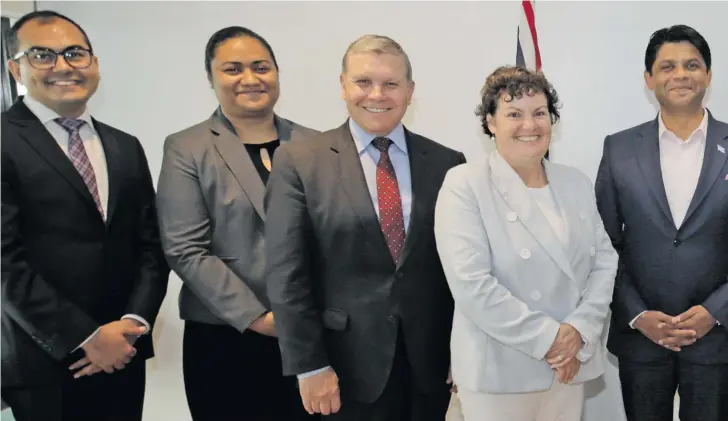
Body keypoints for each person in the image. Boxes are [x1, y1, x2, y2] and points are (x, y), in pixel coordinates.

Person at [264, 34, 466, 420]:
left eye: (391, 83)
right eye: (363, 82)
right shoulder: (299, 161)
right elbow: (287, 275)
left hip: (430, 366)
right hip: (343, 369)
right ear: (343, 86)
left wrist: (464, 353)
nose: (377, 94)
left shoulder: (447, 162)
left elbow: (460, 269)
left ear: (410, 90)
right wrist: (309, 366)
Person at [1, 10, 169, 421]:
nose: (63, 66)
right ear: (15, 68)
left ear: (93, 63)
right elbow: (5, 262)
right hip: (44, 360)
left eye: (75, 53)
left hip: (123, 354)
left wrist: (132, 323)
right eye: (42, 55)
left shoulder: (124, 145)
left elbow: (151, 246)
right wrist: (87, 337)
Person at [434, 66, 618, 421]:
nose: (529, 125)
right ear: (490, 122)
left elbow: (604, 262)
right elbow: (471, 284)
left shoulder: (575, 182)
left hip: (570, 365)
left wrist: (578, 332)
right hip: (501, 370)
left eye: (539, 113)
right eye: (513, 114)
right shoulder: (465, 184)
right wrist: (553, 340)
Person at [156, 26, 319, 420]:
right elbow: (185, 248)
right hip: (225, 337)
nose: (250, 79)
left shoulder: (316, 144)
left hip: (310, 337)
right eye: (233, 69)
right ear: (211, 78)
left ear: (277, 73)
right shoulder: (187, 147)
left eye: (261, 67)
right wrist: (258, 318)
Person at [596, 24, 728, 421]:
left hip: (718, 336)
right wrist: (636, 314)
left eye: (692, 64)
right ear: (649, 79)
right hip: (643, 338)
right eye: (667, 66)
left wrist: (716, 309)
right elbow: (602, 244)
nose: (681, 74)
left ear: (708, 74)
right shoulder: (618, 148)